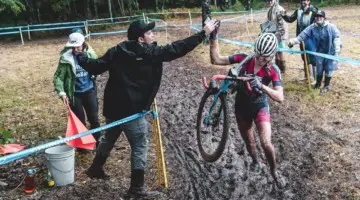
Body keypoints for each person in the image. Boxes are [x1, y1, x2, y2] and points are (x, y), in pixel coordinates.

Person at [75, 19, 217, 197]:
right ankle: (136, 188)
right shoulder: (152, 53)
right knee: (140, 145)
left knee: (110, 137)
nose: (153, 35)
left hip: (113, 107)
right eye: (149, 33)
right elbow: (178, 48)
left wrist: (80, 55)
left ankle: (96, 168)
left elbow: (94, 67)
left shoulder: (117, 50)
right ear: (140, 39)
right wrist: (203, 33)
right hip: (132, 111)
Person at [210, 24, 284, 188]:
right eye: (258, 54)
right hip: (241, 106)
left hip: (260, 106)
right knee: (250, 143)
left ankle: (274, 171)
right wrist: (213, 38)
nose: (259, 59)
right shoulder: (244, 59)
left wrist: (263, 86)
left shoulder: (273, 70)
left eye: (264, 57)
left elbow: (280, 97)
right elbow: (216, 59)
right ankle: (256, 161)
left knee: (266, 143)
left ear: (271, 57)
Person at [54, 32, 101, 147]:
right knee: (80, 121)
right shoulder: (66, 59)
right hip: (75, 95)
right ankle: (83, 144)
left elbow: (98, 68)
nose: (75, 49)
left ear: (83, 44)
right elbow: (58, 77)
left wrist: (95, 74)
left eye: (78, 46)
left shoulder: (90, 55)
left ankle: (98, 141)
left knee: (94, 118)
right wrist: (62, 93)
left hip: (90, 91)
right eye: (73, 46)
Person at [288, 10, 341, 93]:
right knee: (319, 69)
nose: (318, 18)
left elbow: (337, 38)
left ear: (324, 18)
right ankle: (318, 84)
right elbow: (302, 36)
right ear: (315, 18)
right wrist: (292, 42)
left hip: (330, 52)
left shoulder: (331, 27)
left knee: (328, 69)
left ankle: (326, 86)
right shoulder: (312, 27)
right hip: (319, 53)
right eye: (317, 16)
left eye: (321, 16)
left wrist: (337, 52)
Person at [282, 0, 318, 82]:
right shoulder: (298, 11)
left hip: (311, 38)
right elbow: (290, 19)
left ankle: (316, 79)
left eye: (304, 0)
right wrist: (283, 15)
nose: (302, 2)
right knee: (304, 57)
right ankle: (307, 77)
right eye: (301, 1)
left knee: (313, 58)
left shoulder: (314, 11)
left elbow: (320, 21)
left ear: (308, 1)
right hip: (300, 38)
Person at [267, 0, 288, 73]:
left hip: (279, 34)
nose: (269, 2)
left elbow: (283, 23)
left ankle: (282, 68)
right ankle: (277, 67)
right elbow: (269, 22)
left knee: (280, 51)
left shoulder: (280, 9)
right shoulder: (270, 9)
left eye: (270, 0)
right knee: (275, 51)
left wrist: (281, 35)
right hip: (273, 33)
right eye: (268, 1)